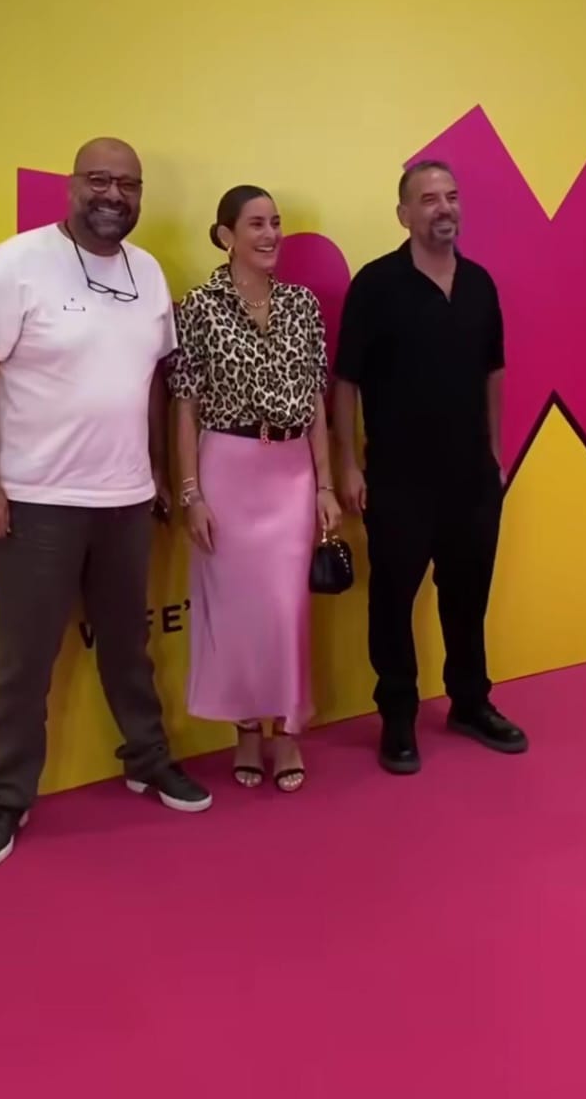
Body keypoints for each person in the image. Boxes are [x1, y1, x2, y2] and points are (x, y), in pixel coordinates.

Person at [0, 137, 212, 870]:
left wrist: (156, 469)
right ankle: (7, 796)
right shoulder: (18, 262)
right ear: (72, 186)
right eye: (100, 180)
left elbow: (153, 380)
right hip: (35, 501)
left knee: (128, 646)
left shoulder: (147, 272)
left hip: (126, 500)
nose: (114, 196)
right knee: (24, 661)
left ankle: (147, 760)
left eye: (128, 185)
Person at [332, 160, 527, 774]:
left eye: (452, 196)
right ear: (404, 214)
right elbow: (345, 381)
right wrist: (348, 466)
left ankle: (470, 702)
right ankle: (397, 717)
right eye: (428, 199)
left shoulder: (480, 284)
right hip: (398, 478)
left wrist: (496, 454)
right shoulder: (376, 285)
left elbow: (494, 370)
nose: (444, 207)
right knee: (392, 602)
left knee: (467, 598)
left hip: (472, 477)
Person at [169, 185, 341, 792]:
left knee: (286, 610)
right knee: (237, 613)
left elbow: (316, 399)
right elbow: (184, 405)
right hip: (226, 470)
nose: (270, 235)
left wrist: (325, 485)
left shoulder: (302, 304)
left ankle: (287, 731)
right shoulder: (198, 307)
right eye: (256, 224)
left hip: (291, 474)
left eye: (276, 223)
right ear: (226, 235)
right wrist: (191, 493)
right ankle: (245, 730)